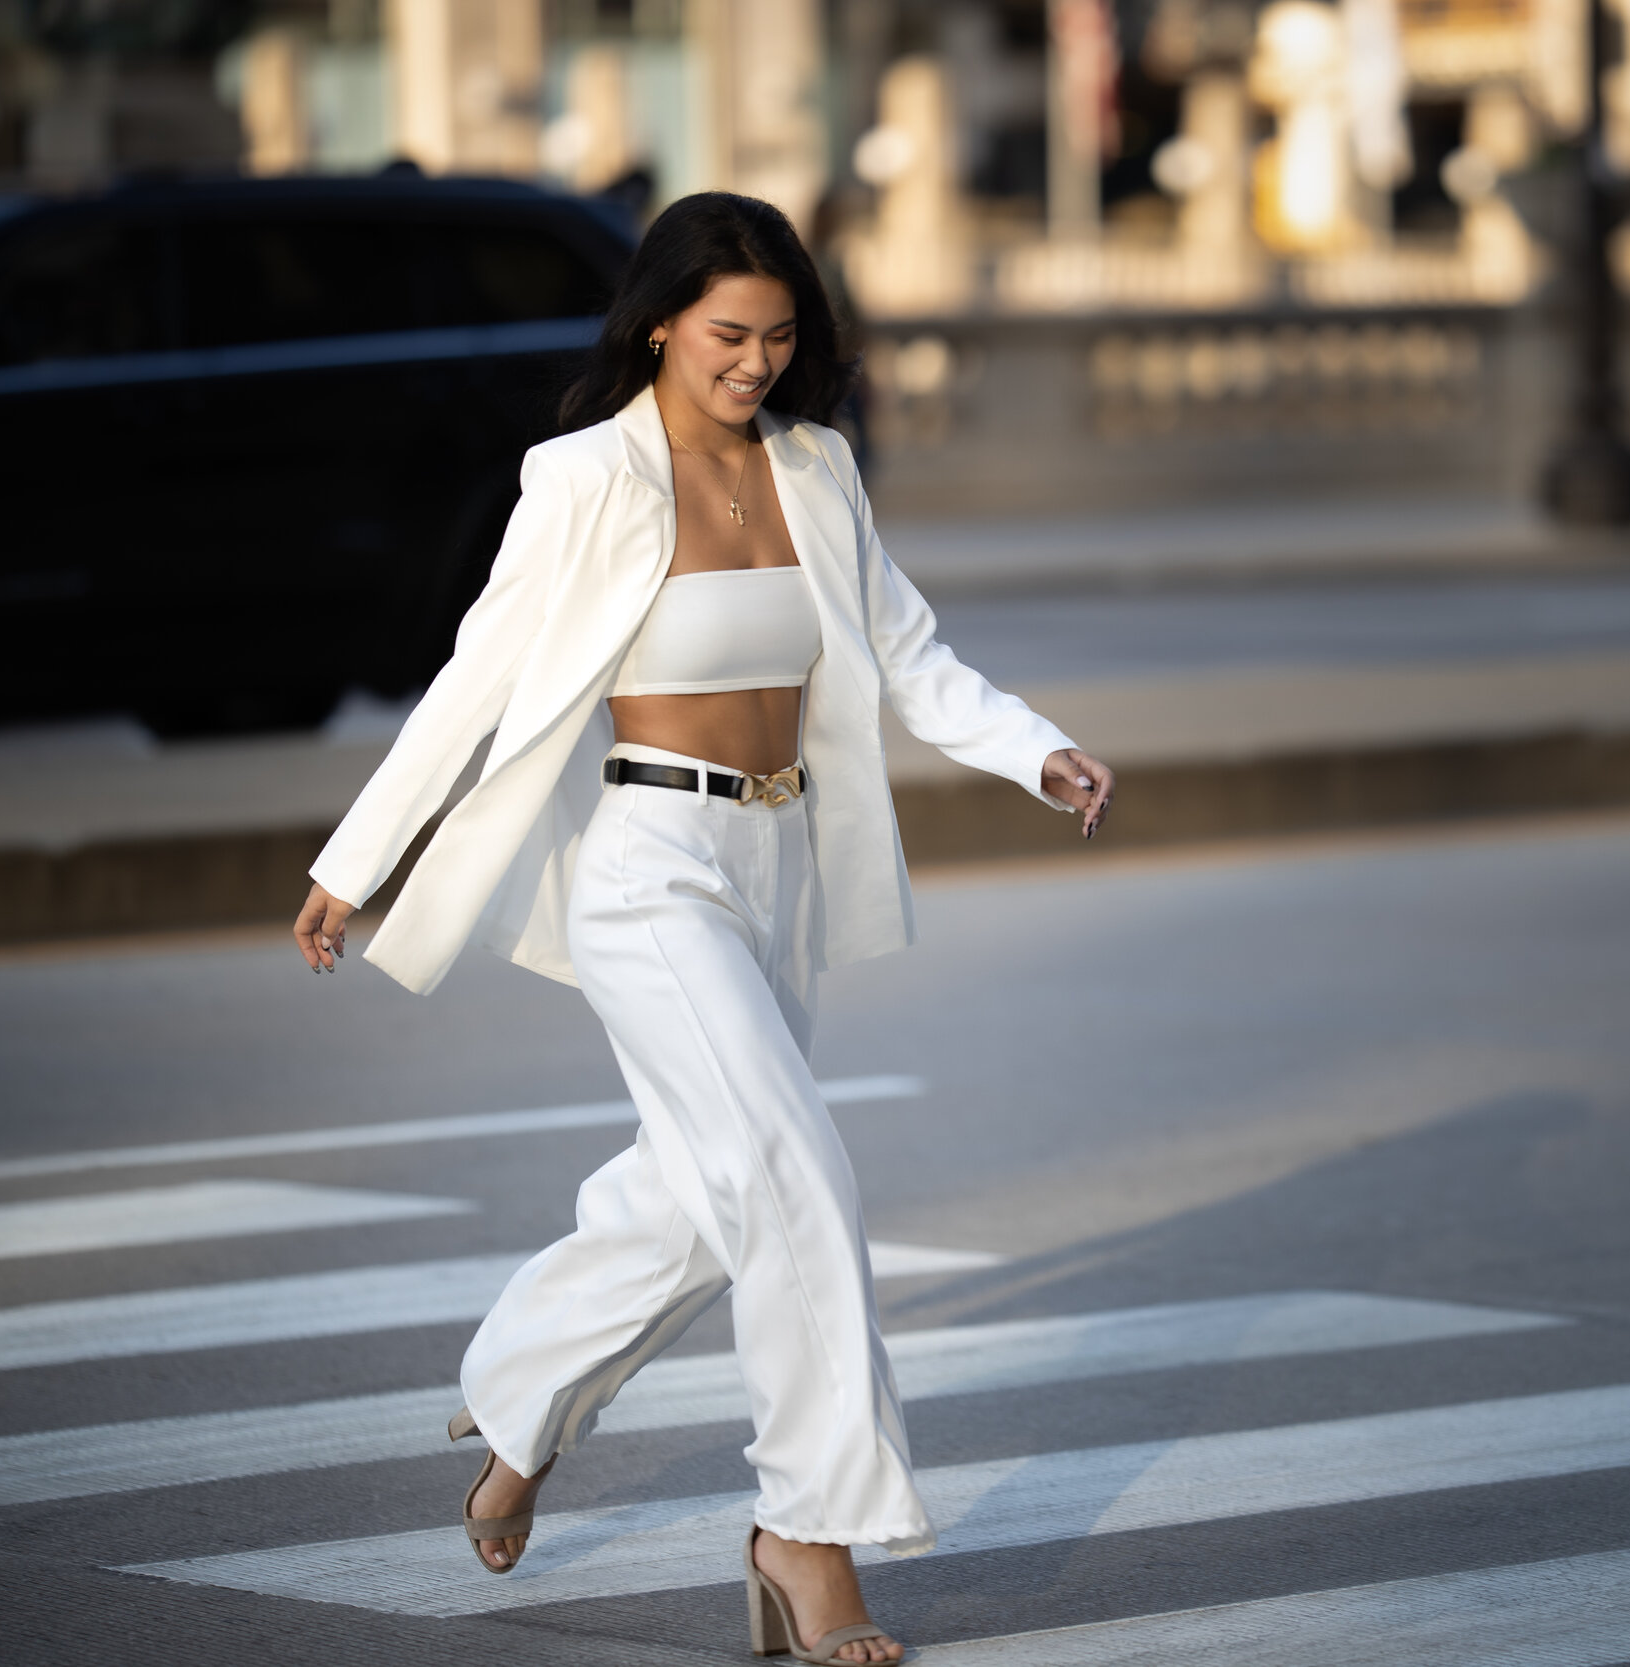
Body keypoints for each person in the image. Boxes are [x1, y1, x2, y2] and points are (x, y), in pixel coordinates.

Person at [291, 191, 1113, 1666]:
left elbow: (906, 650)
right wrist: (360, 861)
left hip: (778, 860)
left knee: (697, 1191)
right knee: (795, 1177)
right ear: (659, 322)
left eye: (781, 335)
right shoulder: (585, 477)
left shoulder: (817, 467)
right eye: (730, 333)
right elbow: (480, 676)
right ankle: (809, 1533)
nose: (755, 361)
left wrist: (1033, 749)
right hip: (644, 863)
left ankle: (521, 1402)